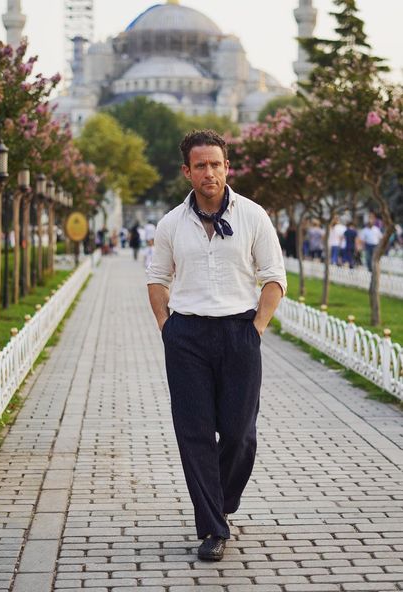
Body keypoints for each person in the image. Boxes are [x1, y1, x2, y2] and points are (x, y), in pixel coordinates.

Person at [146, 130, 287, 562]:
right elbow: (156, 279)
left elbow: (274, 277)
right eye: (201, 165)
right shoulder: (171, 222)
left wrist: (257, 327)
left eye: (217, 164)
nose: (210, 172)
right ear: (187, 171)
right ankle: (211, 526)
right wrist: (167, 328)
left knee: (241, 434)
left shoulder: (252, 216)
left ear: (227, 167)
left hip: (238, 334)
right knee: (195, 435)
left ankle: (221, 500)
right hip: (187, 337)